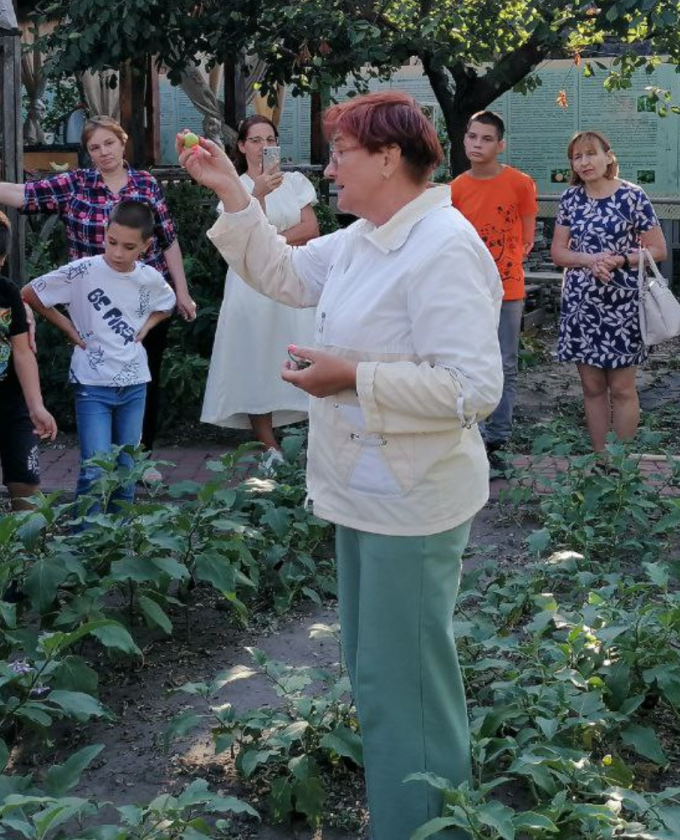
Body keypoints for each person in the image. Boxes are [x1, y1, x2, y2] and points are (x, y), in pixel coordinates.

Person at [177, 91, 502, 840]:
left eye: (339, 155)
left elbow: (473, 389)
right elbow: (285, 274)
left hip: (412, 501)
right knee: (377, 674)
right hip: (368, 492)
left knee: (406, 688)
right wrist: (232, 190)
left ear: (389, 158)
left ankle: (427, 828)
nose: (326, 172)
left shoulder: (442, 245)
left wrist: (352, 377)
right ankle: (414, 819)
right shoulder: (367, 237)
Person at [0, 116, 197, 459]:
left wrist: (180, 292)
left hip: (141, 301)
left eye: (109, 143)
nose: (103, 152)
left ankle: (140, 458)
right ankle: (98, 458)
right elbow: (24, 195)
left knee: (142, 379)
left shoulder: (146, 185)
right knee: (94, 379)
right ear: (88, 152)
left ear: (122, 143)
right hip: (92, 306)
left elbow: (168, 241)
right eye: (95, 147)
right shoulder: (75, 184)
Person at [22, 200, 176, 508]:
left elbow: (168, 302)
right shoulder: (83, 271)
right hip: (92, 385)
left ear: (146, 246)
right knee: (94, 468)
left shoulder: (149, 277)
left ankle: (120, 540)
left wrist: (147, 326)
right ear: (105, 233)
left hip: (135, 385)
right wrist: (67, 326)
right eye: (112, 242)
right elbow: (30, 292)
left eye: (129, 247)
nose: (118, 253)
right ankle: (86, 541)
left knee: (128, 468)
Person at [199, 115, 319, 471]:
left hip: (292, 274)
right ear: (242, 145)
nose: (263, 146)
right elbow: (248, 234)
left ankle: (311, 441)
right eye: (255, 139)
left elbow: (311, 227)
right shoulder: (236, 186)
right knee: (255, 358)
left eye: (270, 139)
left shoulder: (295, 181)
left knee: (300, 348)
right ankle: (270, 448)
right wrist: (259, 195)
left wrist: (272, 243)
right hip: (248, 285)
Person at [549, 130, 669, 453]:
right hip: (581, 303)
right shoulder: (570, 199)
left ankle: (621, 465)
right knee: (591, 386)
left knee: (622, 388)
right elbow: (559, 253)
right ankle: (602, 460)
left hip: (623, 304)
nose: (584, 162)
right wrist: (591, 261)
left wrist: (619, 260)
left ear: (608, 156)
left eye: (591, 154)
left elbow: (658, 249)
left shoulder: (632, 196)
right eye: (577, 157)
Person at [450, 110, 537, 466]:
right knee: (462, 361)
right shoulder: (455, 188)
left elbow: (527, 239)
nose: (477, 144)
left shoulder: (519, 183)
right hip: (465, 291)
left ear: (500, 145)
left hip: (508, 288)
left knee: (505, 362)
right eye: (472, 137)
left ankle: (497, 439)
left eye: (486, 139)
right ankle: (464, 433)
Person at [0, 207, 58, 508]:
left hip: (13, 405)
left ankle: (28, 551)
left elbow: (22, 351)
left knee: (26, 479)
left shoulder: (7, 293)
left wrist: (36, 406)